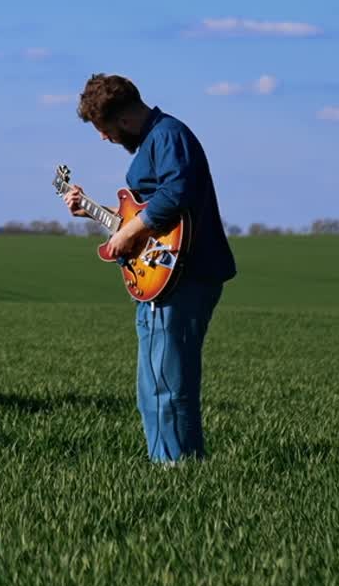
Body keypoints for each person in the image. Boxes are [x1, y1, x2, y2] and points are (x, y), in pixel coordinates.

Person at [62, 73, 235, 463]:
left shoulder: (168, 135)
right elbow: (143, 219)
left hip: (183, 276)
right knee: (156, 383)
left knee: (167, 384)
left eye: (104, 130)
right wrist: (97, 214)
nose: (104, 139)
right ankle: (176, 463)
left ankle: (175, 468)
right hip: (164, 276)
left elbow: (176, 194)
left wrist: (125, 236)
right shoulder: (154, 142)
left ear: (123, 119)